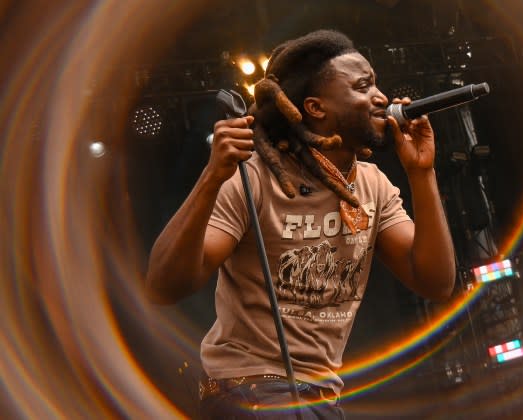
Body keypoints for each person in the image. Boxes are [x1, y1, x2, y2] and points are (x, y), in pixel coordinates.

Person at [145, 29, 455, 419]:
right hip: (251, 392)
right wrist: (212, 178)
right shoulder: (254, 179)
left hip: (319, 397)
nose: (381, 97)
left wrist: (422, 173)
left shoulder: (372, 185)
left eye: (376, 84)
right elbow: (162, 285)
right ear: (316, 108)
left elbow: (436, 283)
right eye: (363, 86)